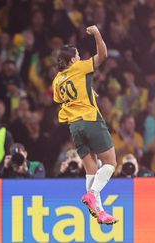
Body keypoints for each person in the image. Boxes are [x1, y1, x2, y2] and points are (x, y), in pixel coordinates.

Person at [52, 25, 118, 225]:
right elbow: (103, 55)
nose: (80, 58)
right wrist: (98, 33)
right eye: (78, 55)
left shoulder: (57, 81)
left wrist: (88, 91)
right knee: (110, 163)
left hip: (74, 126)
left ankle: (100, 212)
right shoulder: (79, 67)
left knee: (91, 168)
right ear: (72, 60)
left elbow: (61, 100)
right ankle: (93, 194)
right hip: (90, 119)